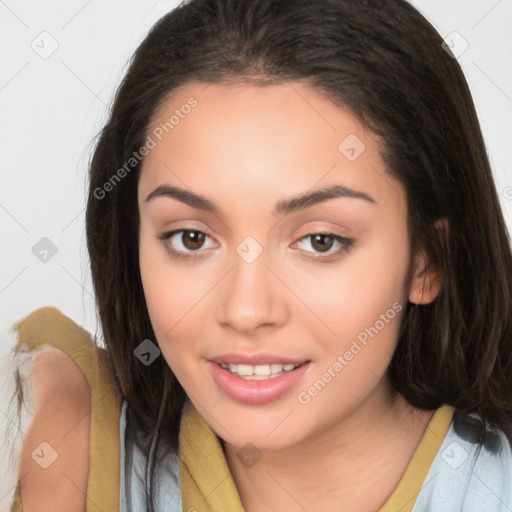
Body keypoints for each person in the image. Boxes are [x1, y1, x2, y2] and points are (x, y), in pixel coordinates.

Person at [5, 0, 512, 510]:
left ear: (427, 260)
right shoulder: (64, 444)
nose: (246, 311)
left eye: (320, 241)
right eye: (191, 238)